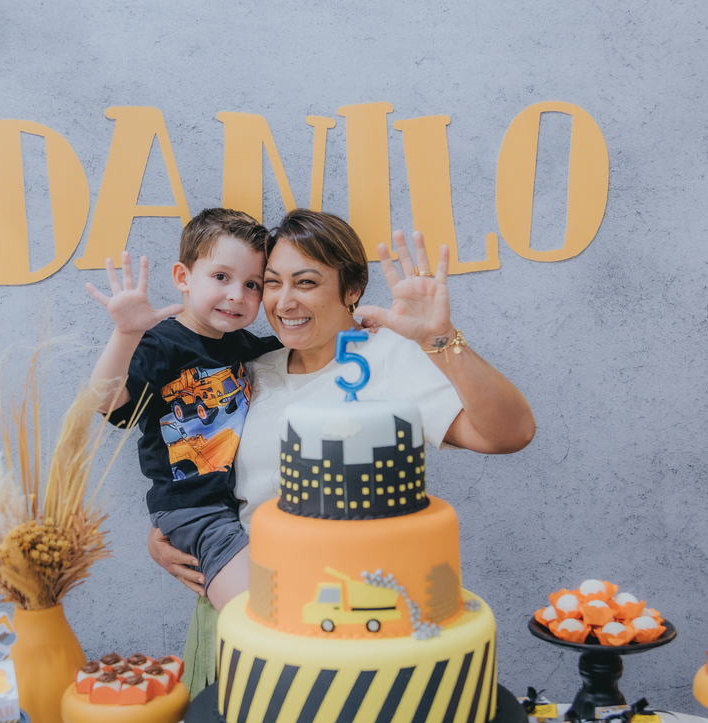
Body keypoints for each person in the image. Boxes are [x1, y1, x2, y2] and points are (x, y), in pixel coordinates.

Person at [147, 209, 536, 694]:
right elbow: (200, 459)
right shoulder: (250, 366)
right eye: (272, 283)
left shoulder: (386, 356)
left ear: (351, 290)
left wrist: (439, 340)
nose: (284, 301)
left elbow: (508, 434)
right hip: (245, 610)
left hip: (356, 617)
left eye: (306, 282)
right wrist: (172, 531)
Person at [86, 208, 282, 612]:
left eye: (252, 284)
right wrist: (126, 334)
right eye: (221, 277)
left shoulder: (242, 344)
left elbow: (298, 349)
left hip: (235, 504)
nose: (237, 295)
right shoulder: (161, 345)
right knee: (260, 610)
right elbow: (108, 403)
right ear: (183, 277)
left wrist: (353, 331)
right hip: (191, 507)